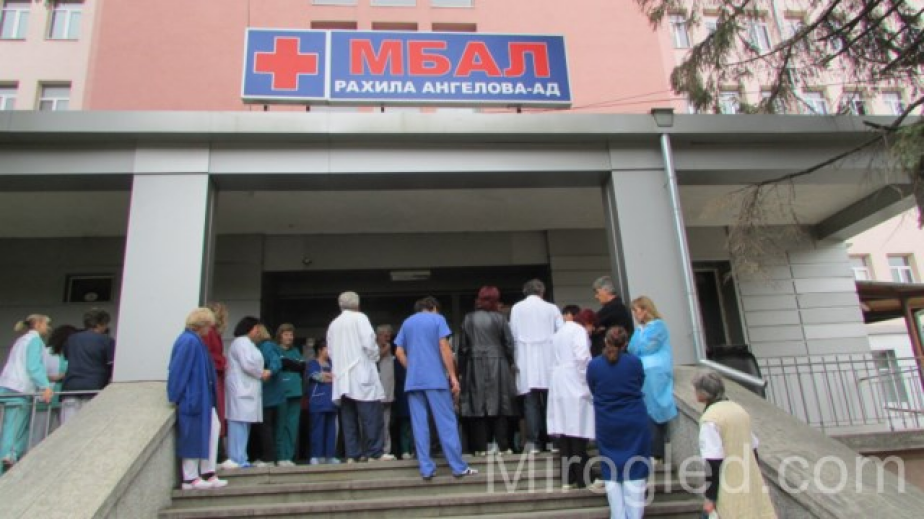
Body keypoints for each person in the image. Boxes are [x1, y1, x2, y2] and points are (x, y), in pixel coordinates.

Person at [395, 296, 476, 480]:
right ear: (432, 307)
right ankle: (457, 466)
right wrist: (453, 376)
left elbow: (399, 352)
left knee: (419, 424)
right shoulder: (437, 319)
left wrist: (412, 368)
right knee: (446, 422)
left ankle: (426, 468)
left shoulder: (407, 322)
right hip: (435, 378)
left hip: (414, 381)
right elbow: (444, 346)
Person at [693, 370, 777, 519]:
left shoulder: (710, 419)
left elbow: (713, 462)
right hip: (751, 481)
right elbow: (753, 448)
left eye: (696, 389)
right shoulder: (739, 410)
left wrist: (710, 498)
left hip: (729, 485)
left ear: (703, 393)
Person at [587, 326, 651, 519]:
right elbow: (639, 383)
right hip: (634, 419)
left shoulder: (594, 365)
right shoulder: (635, 362)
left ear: (605, 341)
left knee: (611, 469)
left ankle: (618, 515)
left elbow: (592, 388)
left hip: (607, 421)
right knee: (636, 468)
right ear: (625, 344)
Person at [327, 291, 393, 462]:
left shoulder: (334, 324)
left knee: (348, 418)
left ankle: (352, 454)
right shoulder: (360, 318)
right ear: (357, 304)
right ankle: (374, 452)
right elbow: (369, 343)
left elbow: (331, 352)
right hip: (361, 372)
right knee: (371, 416)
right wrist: (375, 357)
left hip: (342, 378)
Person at [166, 307, 228, 490]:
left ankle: (207, 472)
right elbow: (178, 370)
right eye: (208, 326)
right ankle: (190, 477)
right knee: (193, 435)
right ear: (202, 324)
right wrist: (176, 395)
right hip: (194, 397)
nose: (210, 330)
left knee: (211, 430)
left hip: (201, 397)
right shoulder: (189, 341)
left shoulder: (193, 340)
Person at [458, 286, 517, 456]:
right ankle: (503, 446)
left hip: (474, 362)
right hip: (498, 362)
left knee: (477, 404)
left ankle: (480, 447)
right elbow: (509, 343)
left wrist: (461, 369)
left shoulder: (468, 318)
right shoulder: (500, 318)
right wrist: (509, 362)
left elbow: (463, 347)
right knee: (500, 403)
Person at [509, 278, 563, 454]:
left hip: (525, 358)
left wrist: (514, 359)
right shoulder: (552, 308)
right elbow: (560, 333)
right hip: (548, 357)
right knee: (550, 400)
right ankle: (553, 441)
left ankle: (533, 442)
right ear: (542, 292)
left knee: (530, 401)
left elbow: (513, 335)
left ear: (526, 291)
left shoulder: (517, 308)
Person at [547, 308, 596, 489]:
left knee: (564, 431)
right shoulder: (578, 331)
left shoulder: (558, 333)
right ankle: (584, 477)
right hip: (574, 380)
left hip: (559, 381)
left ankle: (568, 478)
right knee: (577, 430)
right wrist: (586, 381)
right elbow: (582, 357)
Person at [0, 315, 54, 473]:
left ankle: (9, 456)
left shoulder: (21, 340)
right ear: (38, 324)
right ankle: (8, 457)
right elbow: (33, 366)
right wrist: (45, 386)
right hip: (20, 388)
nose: (49, 328)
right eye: (46, 324)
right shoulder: (35, 341)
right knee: (15, 428)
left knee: (11, 425)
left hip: (8, 385)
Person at [627, 296, 678, 464]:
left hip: (656, 372)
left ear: (646, 310)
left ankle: (657, 452)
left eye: (636, 310)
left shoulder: (658, 326)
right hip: (643, 372)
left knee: (655, 409)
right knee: (645, 408)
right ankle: (650, 450)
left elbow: (646, 347)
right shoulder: (640, 329)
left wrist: (639, 342)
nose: (635, 314)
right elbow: (632, 348)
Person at [224, 316, 268, 469]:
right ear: (249, 328)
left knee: (244, 424)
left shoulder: (247, 343)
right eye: (256, 328)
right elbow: (248, 364)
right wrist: (261, 373)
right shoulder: (241, 342)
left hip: (246, 389)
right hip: (241, 389)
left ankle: (241, 457)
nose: (258, 332)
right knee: (239, 423)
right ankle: (237, 458)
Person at [61, 308, 116, 423]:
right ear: (100, 324)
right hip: (95, 388)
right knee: (89, 425)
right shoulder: (107, 341)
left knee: (67, 427)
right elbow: (112, 365)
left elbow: (67, 357)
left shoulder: (72, 339)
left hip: (70, 388)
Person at [30, 324, 76, 447]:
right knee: (39, 432)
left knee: (67, 432)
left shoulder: (71, 354)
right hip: (46, 396)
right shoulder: (46, 352)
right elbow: (36, 372)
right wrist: (56, 377)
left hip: (63, 396)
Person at [251, 324, 283, 467]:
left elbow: (276, 362)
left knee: (265, 425)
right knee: (265, 425)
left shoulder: (266, 346)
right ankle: (265, 456)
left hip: (268, 393)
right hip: (270, 393)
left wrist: (269, 371)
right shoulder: (266, 346)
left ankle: (268, 457)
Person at [276, 323, 304, 467]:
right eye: (286, 334)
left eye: (291, 334)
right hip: (281, 392)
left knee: (292, 425)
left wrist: (288, 364)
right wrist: (291, 364)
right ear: (280, 336)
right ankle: (280, 455)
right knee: (281, 424)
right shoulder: (276, 350)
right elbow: (281, 365)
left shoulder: (295, 351)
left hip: (295, 391)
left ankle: (289, 455)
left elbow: (301, 367)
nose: (289, 337)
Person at [306, 339, 339, 464]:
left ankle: (330, 455)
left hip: (331, 401)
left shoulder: (333, 363)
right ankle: (316, 455)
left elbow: (338, 376)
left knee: (331, 430)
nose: (329, 351)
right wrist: (330, 376)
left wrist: (326, 375)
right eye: (327, 348)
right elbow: (317, 377)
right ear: (320, 350)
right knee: (317, 429)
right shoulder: (313, 363)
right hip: (318, 401)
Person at [203, 302, 228, 448]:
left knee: (218, 413)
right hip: (214, 377)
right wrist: (222, 361)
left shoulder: (214, 333)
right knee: (217, 412)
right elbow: (207, 355)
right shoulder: (210, 333)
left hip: (217, 376)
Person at [591, 276, 633, 358]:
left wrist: (596, 330)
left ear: (606, 290)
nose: (596, 296)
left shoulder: (614, 308)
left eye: (597, 292)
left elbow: (591, 323)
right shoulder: (614, 307)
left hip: (612, 357)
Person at [376, 324, 396, 456]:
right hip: (375, 394)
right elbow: (375, 357)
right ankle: (376, 449)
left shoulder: (390, 349)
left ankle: (386, 449)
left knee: (386, 423)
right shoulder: (374, 349)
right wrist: (384, 348)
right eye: (385, 336)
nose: (388, 339)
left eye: (389, 337)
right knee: (375, 422)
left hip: (388, 393)